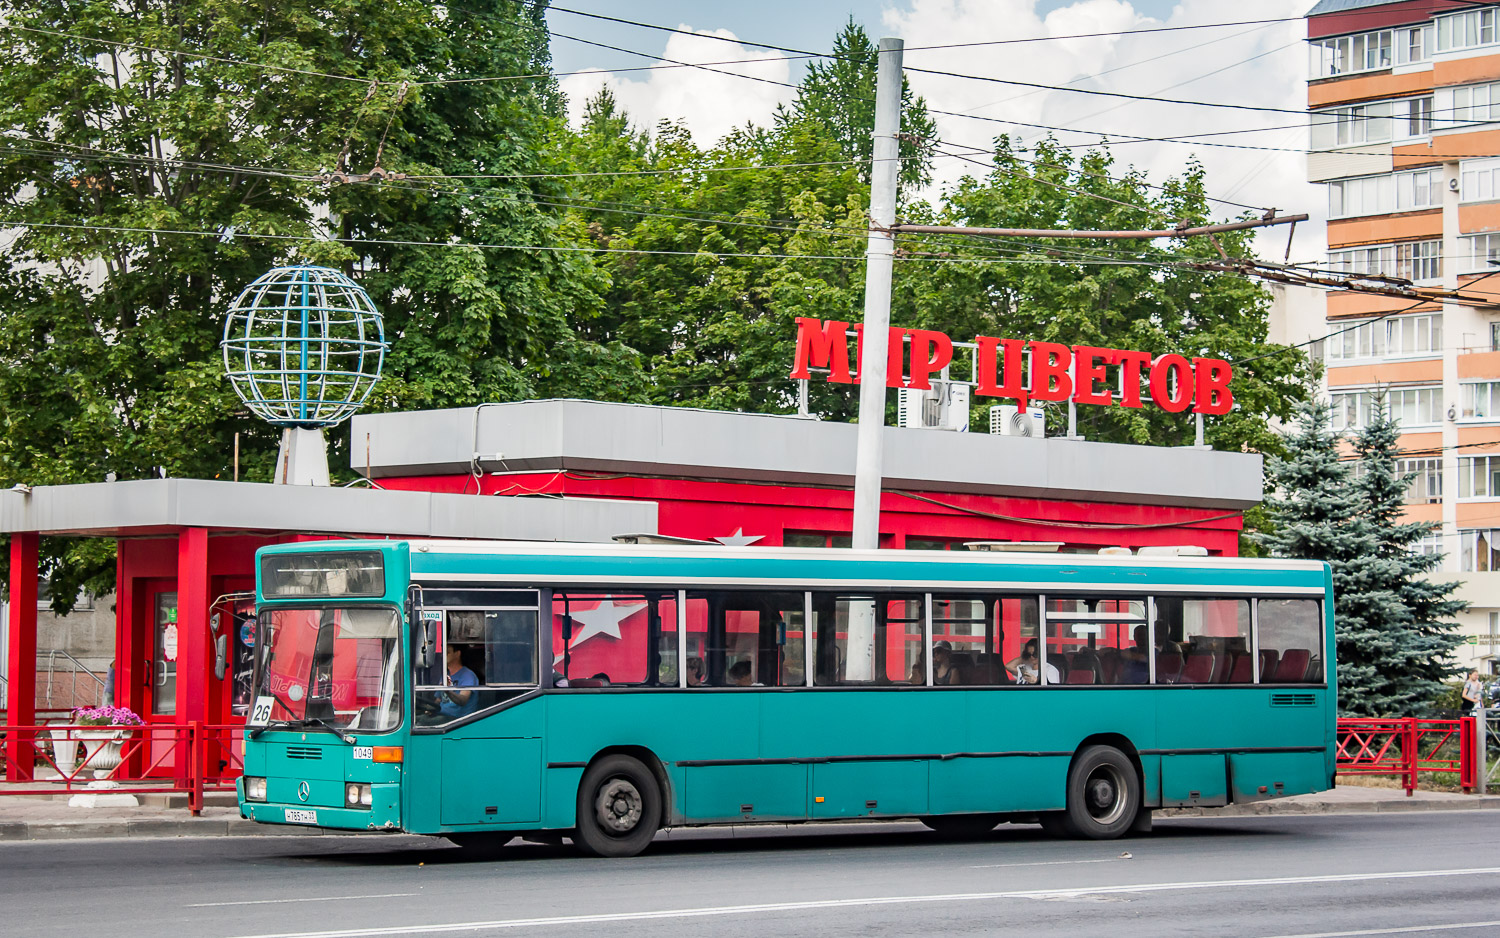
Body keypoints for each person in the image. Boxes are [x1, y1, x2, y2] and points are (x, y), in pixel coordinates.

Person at [438, 643, 480, 719]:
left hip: (457, 720)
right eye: (442, 652)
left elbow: (463, 700)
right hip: (441, 714)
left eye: (447, 652)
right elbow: (438, 700)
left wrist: (448, 691)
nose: (443, 655)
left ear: (457, 654)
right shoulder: (445, 675)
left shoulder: (468, 675)